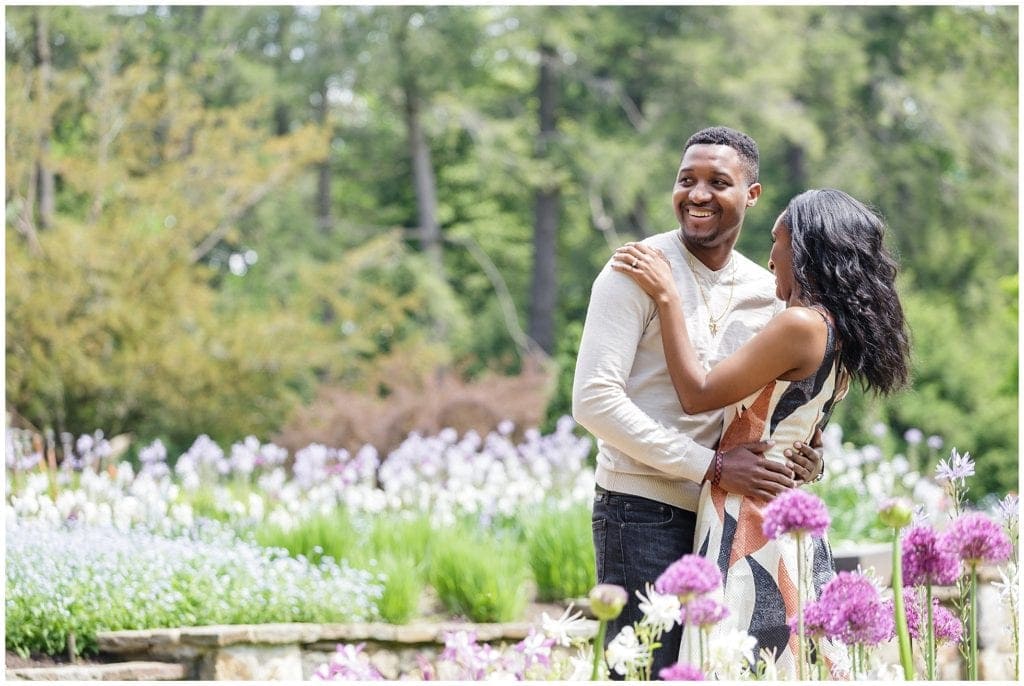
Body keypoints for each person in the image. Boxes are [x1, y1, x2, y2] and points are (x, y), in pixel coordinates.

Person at [611, 187, 910, 677]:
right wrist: (812, 457)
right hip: (787, 510)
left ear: (808, 249)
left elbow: (697, 393)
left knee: (737, 659)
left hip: (749, 515)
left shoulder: (800, 325)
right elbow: (799, 423)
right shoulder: (842, 331)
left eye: (777, 241)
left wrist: (667, 296)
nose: (770, 257)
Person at [572, 126, 825, 678]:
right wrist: (709, 465)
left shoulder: (768, 291)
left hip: (734, 521)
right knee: (643, 670)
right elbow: (592, 401)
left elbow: (778, 402)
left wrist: (808, 457)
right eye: (686, 180)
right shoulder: (636, 271)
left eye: (718, 181)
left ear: (752, 195)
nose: (698, 194)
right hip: (640, 511)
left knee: (721, 671)